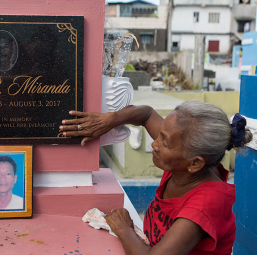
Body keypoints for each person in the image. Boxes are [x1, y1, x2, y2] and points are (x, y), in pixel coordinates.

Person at [60, 101, 252, 255]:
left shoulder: (205, 204)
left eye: (164, 142)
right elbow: (147, 114)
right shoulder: (182, 164)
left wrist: (123, 228)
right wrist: (110, 120)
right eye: (159, 134)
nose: (154, 144)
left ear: (195, 163)